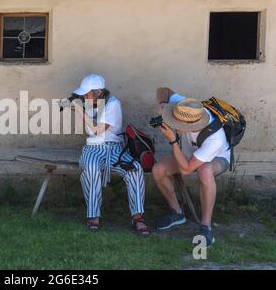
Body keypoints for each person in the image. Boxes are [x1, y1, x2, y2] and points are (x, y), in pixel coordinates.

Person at [71, 74, 149, 235]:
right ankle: (93, 214)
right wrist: (80, 107)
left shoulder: (113, 104)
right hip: (93, 148)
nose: (84, 96)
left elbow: (97, 130)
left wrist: (79, 109)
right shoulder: (90, 103)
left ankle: (137, 216)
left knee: (135, 169)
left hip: (114, 149)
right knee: (91, 168)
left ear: (99, 92)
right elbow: (91, 134)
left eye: (87, 93)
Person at [152, 87, 231, 246]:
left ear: (191, 124)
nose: (173, 123)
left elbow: (187, 169)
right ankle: (177, 212)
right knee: (158, 170)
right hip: (190, 155)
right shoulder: (186, 108)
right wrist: (162, 104)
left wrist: (173, 140)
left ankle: (206, 226)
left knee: (205, 171)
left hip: (217, 157)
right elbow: (164, 90)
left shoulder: (215, 139)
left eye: (176, 123)